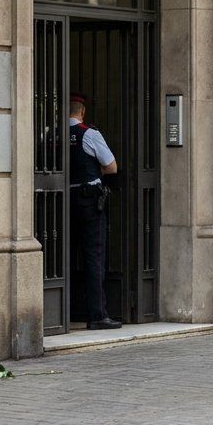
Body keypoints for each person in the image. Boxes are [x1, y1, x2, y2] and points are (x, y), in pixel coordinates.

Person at [68, 94, 121, 330]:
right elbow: (111, 167)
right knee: (94, 256)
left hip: (61, 201)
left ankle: (64, 311)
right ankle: (97, 314)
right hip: (88, 201)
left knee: (65, 256)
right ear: (82, 111)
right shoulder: (89, 134)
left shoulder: (52, 134)